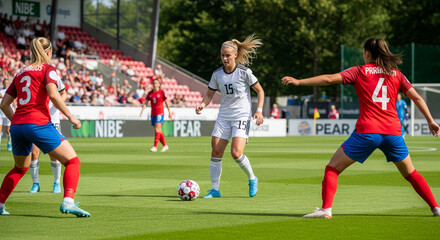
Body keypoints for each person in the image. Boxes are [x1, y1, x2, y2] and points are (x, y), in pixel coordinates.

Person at [282, 37, 440, 218]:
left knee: (332, 168)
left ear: (367, 53)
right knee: (411, 173)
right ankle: (436, 208)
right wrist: (430, 120)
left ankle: (326, 209)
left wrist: (299, 81)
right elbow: (418, 98)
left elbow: (328, 79)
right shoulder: (397, 74)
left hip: (367, 132)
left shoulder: (359, 71)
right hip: (393, 133)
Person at [0, 37, 90, 217]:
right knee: (73, 161)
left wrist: (17, 120)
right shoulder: (48, 69)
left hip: (17, 126)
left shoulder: (20, 72)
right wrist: (72, 117)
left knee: (19, 168)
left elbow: (4, 104)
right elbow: (55, 96)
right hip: (38, 123)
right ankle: (68, 202)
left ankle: (0, 204)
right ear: (48, 52)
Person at [195, 34, 265, 198]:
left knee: (236, 153)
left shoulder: (244, 72)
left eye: (227, 55)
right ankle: (215, 190)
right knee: (216, 151)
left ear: (234, 55)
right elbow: (209, 94)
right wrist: (202, 105)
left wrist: (259, 110)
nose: (225, 58)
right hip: (223, 117)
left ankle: (252, 178)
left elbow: (260, 91)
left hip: (241, 117)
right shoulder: (217, 74)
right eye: (222, 55)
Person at [29, 76, 68, 194]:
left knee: (54, 154)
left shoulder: (53, 75)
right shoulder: (33, 76)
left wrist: (59, 102)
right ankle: (35, 183)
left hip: (53, 120)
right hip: (37, 119)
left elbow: (64, 93)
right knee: (34, 153)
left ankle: (57, 183)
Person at [140, 78, 171, 152]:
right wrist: (142, 110)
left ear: (159, 84)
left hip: (160, 112)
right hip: (153, 113)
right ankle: (165, 145)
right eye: (154, 83)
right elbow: (146, 103)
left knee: (157, 129)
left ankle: (155, 146)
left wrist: (169, 112)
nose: (155, 85)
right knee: (158, 130)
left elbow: (166, 102)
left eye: (156, 83)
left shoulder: (161, 92)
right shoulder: (150, 93)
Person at [0, 79, 13, 151]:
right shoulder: (1, 91)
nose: (6, 84)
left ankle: (9, 143)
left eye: (7, 83)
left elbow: (13, 101)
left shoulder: (10, 91)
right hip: (0, 112)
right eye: (5, 83)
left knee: (8, 130)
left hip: (7, 111)